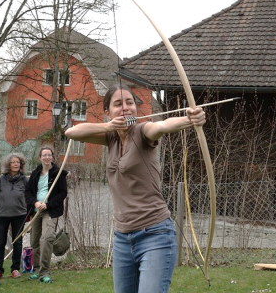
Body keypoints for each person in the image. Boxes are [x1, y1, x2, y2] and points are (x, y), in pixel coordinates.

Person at [64, 83, 206, 293]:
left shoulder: (142, 131)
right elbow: (71, 132)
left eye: (130, 103)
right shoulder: (110, 137)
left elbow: (162, 126)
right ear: (107, 112)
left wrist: (189, 119)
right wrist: (109, 127)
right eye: (118, 104)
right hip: (122, 238)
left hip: (155, 234)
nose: (125, 108)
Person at [24, 146, 67, 284]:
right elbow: (28, 193)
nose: (47, 157)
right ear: (40, 157)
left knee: (47, 238)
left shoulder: (58, 173)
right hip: (36, 212)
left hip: (50, 211)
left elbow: (62, 193)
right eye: (44, 155)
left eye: (49, 155)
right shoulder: (35, 173)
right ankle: (36, 270)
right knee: (35, 242)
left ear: (52, 157)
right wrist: (35, 203)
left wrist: (47, 205)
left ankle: (45, 272)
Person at [0, 153, 28, 280]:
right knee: (0, 242)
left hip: (19, 215)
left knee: (17, 242)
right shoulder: (0, 179)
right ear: (8, 165)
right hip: (2, 215)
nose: (16, 164)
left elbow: (28, 196)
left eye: (18, 162)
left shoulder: (24, 179)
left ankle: (15, 269)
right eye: (13, 162)